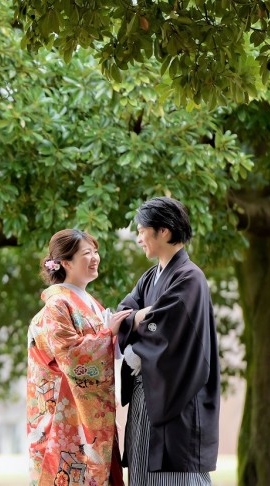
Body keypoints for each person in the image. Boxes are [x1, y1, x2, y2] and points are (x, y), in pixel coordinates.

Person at [116, 197, 220, 486]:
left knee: (177, 476)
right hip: (146, 393)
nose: (138, 239)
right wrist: (141, 317)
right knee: (142, 472)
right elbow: (122, 314)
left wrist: (141, 323)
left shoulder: (190, 278)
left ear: (163, 231)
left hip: (178, 397)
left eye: (142, 231)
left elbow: (166, 330)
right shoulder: (150, 277)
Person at [27, 229, 132, 486]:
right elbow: (71, 356)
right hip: (65, 416)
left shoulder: (88, 302)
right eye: (87, 253)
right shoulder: (57, 304)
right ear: (66, 262)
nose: (95, 258)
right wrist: (108, 334)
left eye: (95, 252)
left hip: (89, 411)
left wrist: (112, 336)